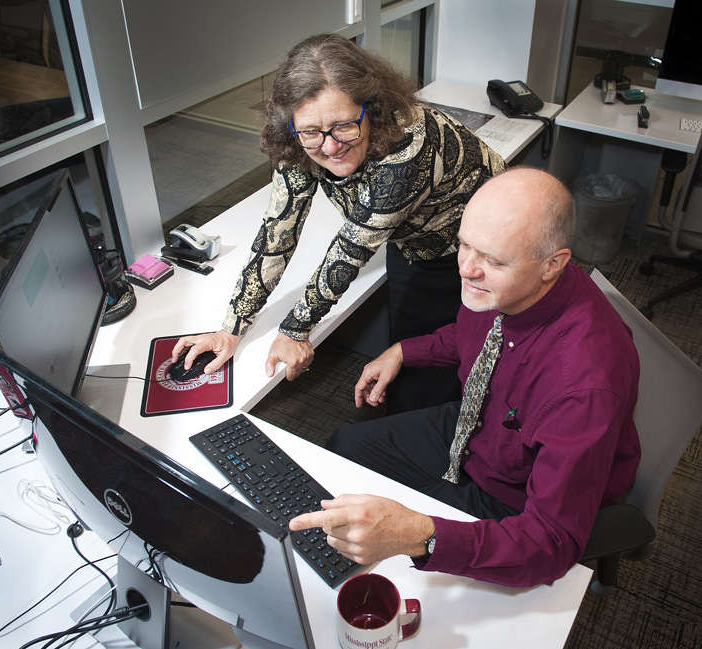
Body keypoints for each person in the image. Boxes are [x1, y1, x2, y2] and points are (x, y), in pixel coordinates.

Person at [288, 167, 642, 588]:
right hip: (477, 425)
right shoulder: (511, 287)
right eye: (464, 245)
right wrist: (405, 350)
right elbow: (472, 335)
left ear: (553, 264)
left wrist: (421, 536)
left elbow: (553, 543)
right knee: (344, 449)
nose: (467, 268)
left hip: (514, 492)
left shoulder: (582, 387)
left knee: (403, 570)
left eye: (493, 260)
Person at [171, 33, 504, 414]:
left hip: (478, 247)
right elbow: (278, 232)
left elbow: (351, 248)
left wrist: (294, 330)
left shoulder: (409, 143)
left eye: (344, 125)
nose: (329, 146)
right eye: (312, 132)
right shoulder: (300, 139)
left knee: (457, 371)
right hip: (410, 240)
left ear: (372, 110)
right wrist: (230, 328)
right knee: (411, 365)